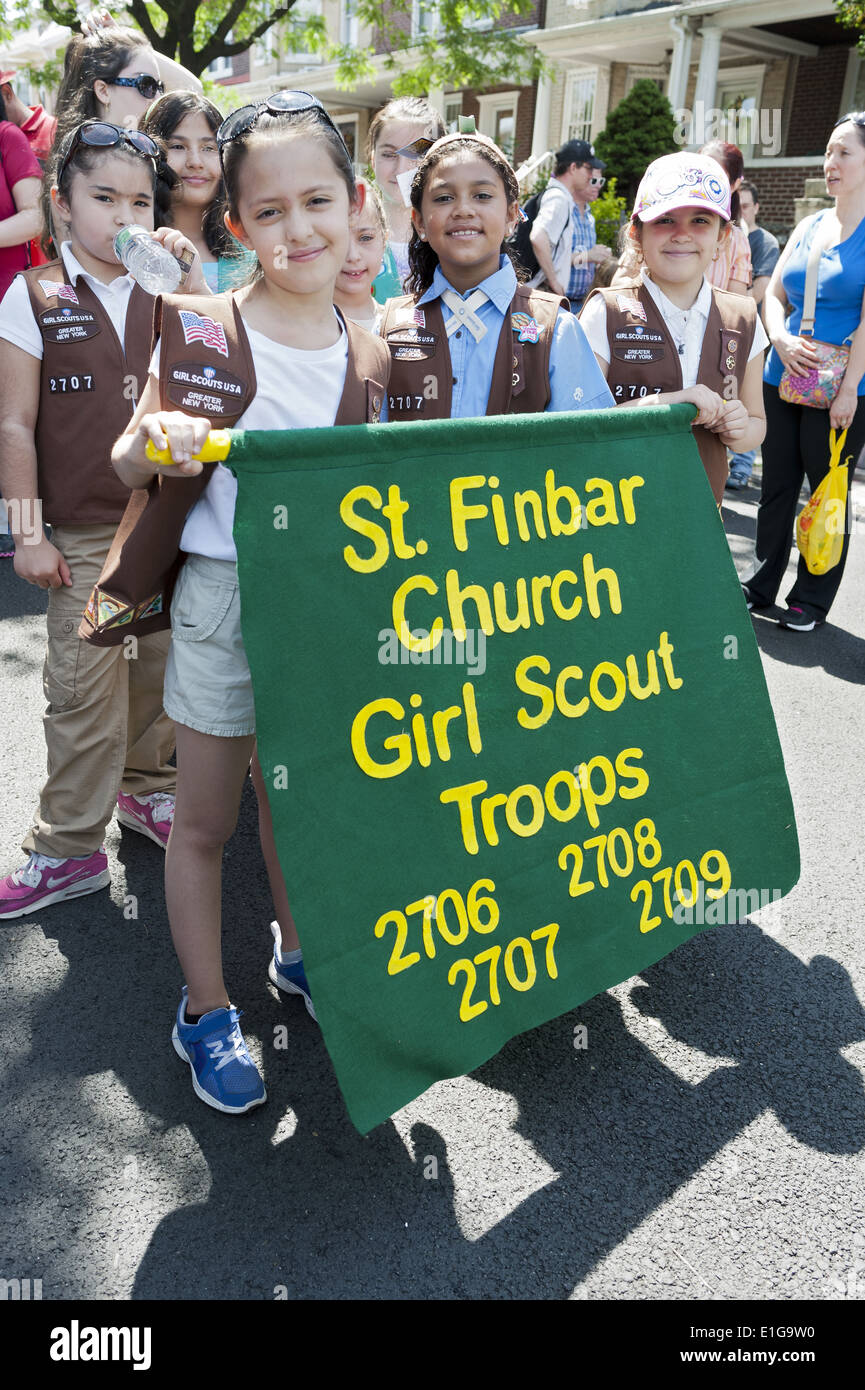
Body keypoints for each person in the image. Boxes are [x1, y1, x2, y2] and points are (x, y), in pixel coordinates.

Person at [107, 92, 389, 1114]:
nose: (297, 228)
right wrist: (161, 437)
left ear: (356, 205)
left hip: (324, 602)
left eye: (317, 200)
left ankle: (297, 953)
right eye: (267, 212)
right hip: (225, 597)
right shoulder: (200, 328)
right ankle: (206, 1008)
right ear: (234, 226)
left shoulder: (369, 346)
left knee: (296, 799)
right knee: (205, 819)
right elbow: (126, 451)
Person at [0, 121, 209, 919]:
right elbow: (14, 425)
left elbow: (216, 368)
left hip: (167, 526)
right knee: (83, 690)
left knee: (159, 676)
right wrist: (27, 532)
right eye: (103, 198)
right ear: (60, 204)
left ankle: (148, 791)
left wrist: (190, 278)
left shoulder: (168, 292)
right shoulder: (34, 296)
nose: (124, 215)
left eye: (140, 200)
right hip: (83, 536)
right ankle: (68, 847)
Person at [379, 125, 613, 421]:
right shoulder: (387, 330)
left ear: (512, 216)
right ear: (420, 222)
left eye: (482, 195)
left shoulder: (557, 331)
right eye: (443, 198)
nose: (463, 209)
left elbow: (586, 447)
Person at [579, 152, 767, 506]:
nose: (682, 234)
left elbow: (756, 423)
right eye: (665, 220)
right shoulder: (605, 312)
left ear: (723, 237)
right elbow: (581, 427)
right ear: (637, 234)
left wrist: (741, 430)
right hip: (611, 513)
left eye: (700, 220)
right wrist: (669, 403)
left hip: (700, 518)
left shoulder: (743, 318)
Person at [742, 112, 865, 630]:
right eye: (829, 151)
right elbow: (772, 293)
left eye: (844, 153)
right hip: (781, 375)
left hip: (841, 385)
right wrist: (781, 337)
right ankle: (761, 583)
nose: (830, 163)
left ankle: (810, 601)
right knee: (777, 486)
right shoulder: (811, 224)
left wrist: (851, 390)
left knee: (825, 492)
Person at [41, 16, 202, 256]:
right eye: (146, 85)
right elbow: (76, 277)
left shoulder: (149, 155)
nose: (156, 98)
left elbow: (193, 89)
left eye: (160, 87)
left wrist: (130, 43)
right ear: (103, 91)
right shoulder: (74, 170)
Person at [140, 91, 256, 292]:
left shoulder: (251, 250)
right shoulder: (133, 247)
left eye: (209, 148)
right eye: (177, 146)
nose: (195, 162)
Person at [0, 87, 44, 557]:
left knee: (13, 422)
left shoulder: (7, 138)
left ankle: (25, 532)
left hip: (7, 308)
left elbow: (36, 218)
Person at [726, 180, 780, 489]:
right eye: (738, 205)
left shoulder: (764, 243)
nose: (741, 212)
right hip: (724, 333)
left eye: (746, 206)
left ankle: (743, 466)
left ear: (756, 208)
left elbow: (758, 293)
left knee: (747, 401)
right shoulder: (725, 237)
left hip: (749, 336)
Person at [366, 96, 446, 297]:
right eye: (389, 154)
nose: (401, 169)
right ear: (373, 158)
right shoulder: (346, 235)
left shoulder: (452, 238)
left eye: (417, 154)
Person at [530, 139, 610, 309]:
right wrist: (554, 282)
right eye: (588, 169)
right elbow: (537, 237)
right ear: (573, 168)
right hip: (550, 296)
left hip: (569, 300)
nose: (591, 177)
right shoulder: (558, 199)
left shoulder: (563, 200)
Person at [334, 176, 387, 332]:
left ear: (384, 241)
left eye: (365, 238)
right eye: (339, 239)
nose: (353, 256)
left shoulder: (398, 326)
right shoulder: (300, 327)